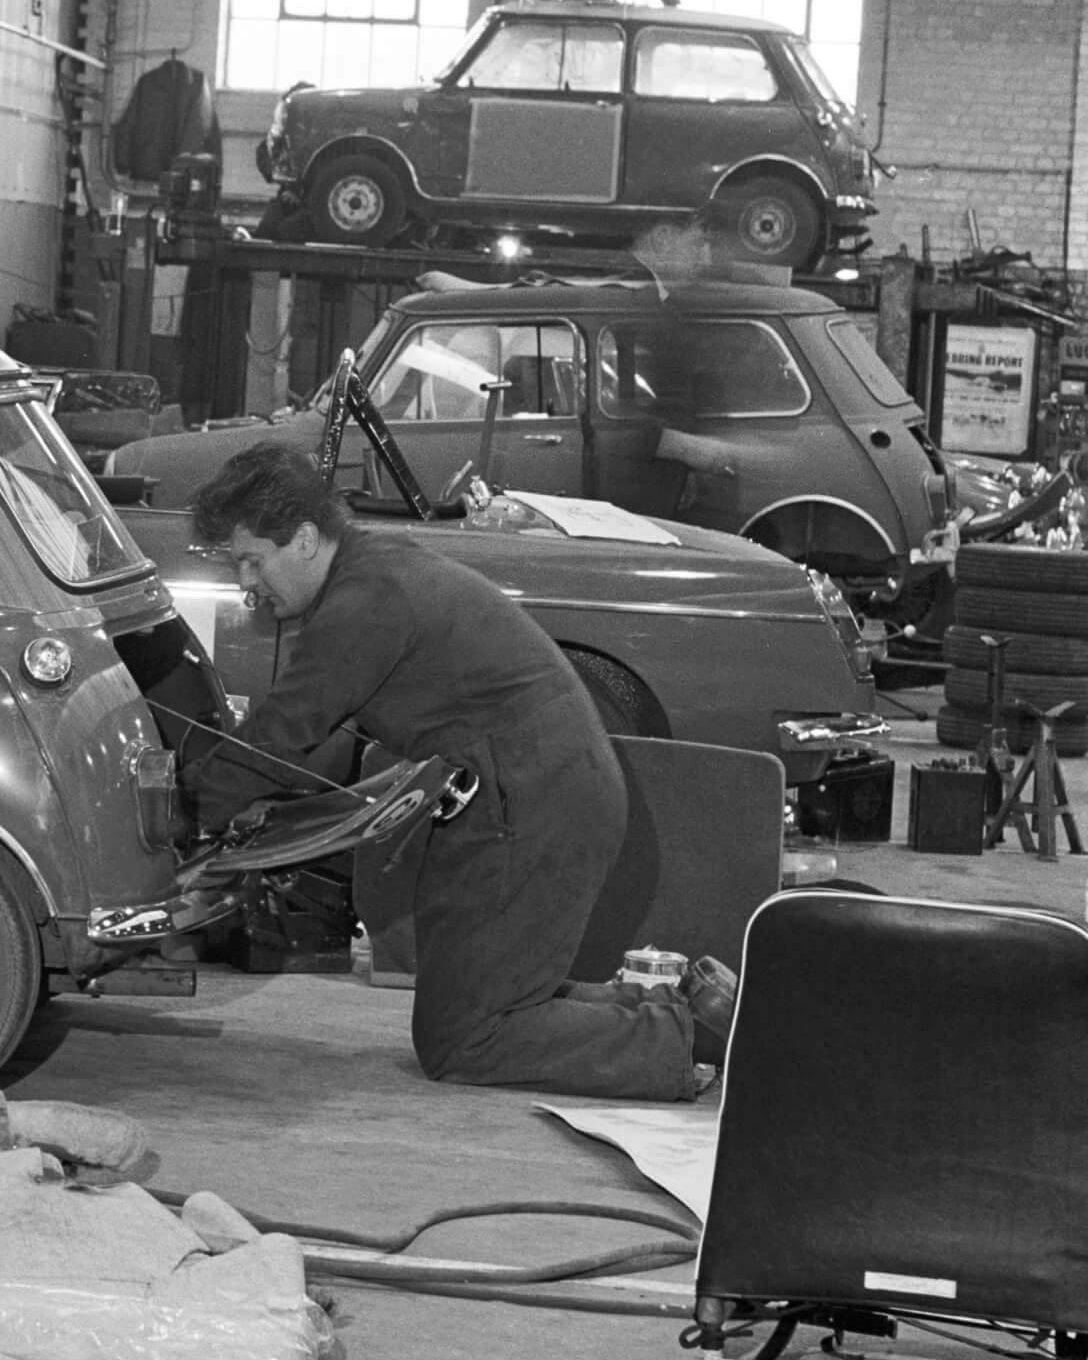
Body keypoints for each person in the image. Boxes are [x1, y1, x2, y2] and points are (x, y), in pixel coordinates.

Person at [185, 443, 734, 1102]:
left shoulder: (365, 600)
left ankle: (688, 1039)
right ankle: (691, 1007)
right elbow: (302, 748)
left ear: (302, 539)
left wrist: (178, 818)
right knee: (485, 996)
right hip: (536, 787)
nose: (246, 582)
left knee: (464, 1038)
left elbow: (283, 732)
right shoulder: (373, 569)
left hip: (530, 802)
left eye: (251, 559)